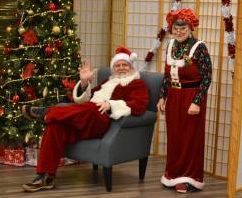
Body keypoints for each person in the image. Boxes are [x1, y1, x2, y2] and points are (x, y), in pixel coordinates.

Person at [22, 47, 149, 192]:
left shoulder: (137, 84)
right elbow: (87, 99)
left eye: (125, 65)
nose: (121, 68)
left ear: (131, 67)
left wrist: (111, 104)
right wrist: (83, 83)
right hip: (86, 122)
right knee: (55, 127)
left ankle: (48, 112)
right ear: (113, 68)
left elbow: (140, 105)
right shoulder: (108, 82)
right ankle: (45, 177)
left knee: (93, 108)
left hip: (104, 123)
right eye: (117, 65)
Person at [156, 8, 212, 193]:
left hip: (191, 98)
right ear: (171, 29)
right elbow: (166, 75)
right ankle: (172, 174)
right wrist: (163, 97)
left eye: (183, 28)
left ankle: (190, 178)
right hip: (174, 96)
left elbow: (206, 77)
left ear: (190, 28)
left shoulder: (199, 47)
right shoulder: (171, 45)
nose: (179, 32)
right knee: (175, 136)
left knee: (190, 138)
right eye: (176, 28)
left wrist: (196, 101)